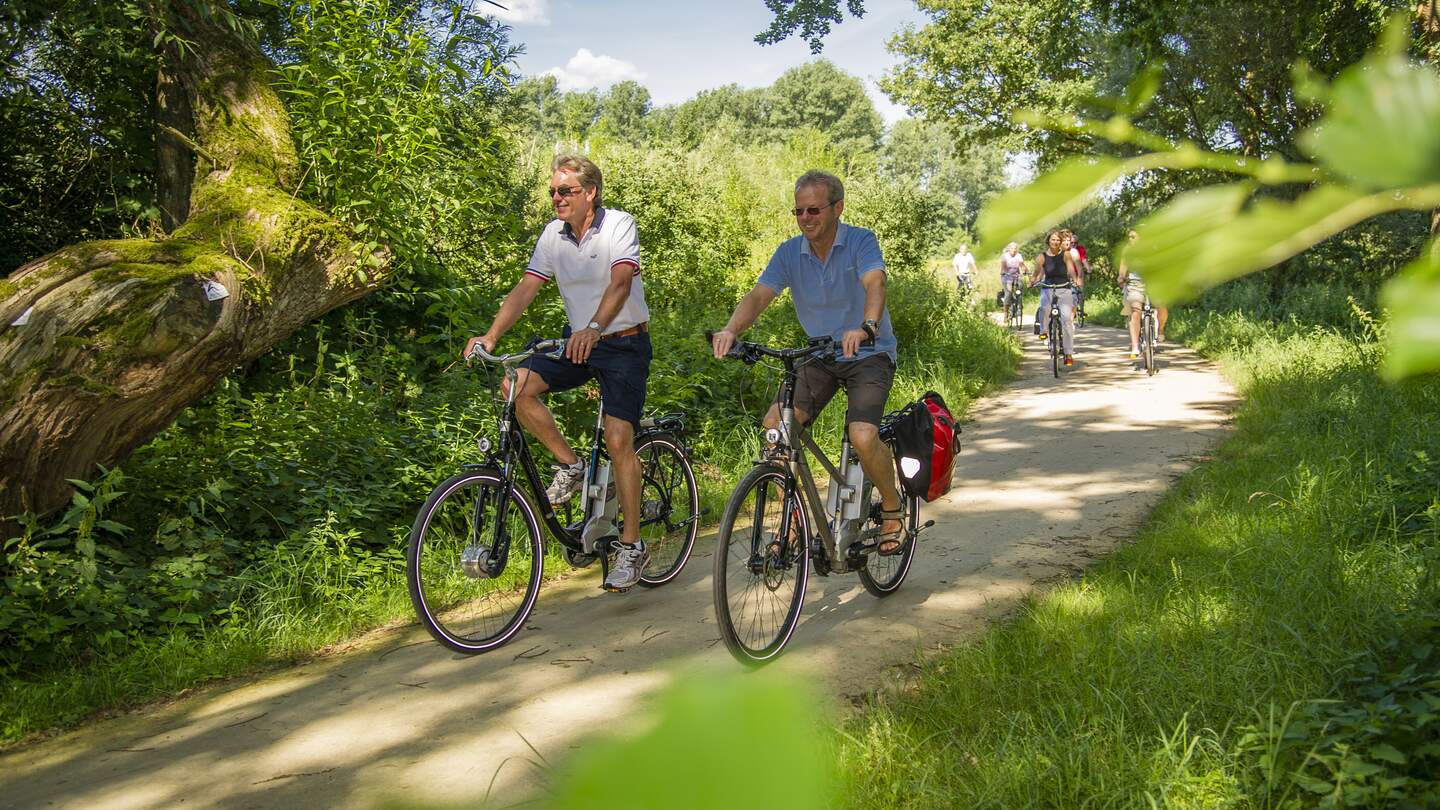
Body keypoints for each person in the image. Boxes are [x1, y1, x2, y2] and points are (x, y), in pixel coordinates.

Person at [464, 154, 653, 592]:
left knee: (618, 439)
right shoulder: (553, 235)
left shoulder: (619, 224)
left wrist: (594, 327)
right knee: (516, 385)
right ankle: (572, 467)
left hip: (623, 342)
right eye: (552, 191)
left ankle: (631, 544)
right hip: (578, 342)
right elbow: (527, 287)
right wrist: (490, 336)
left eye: (565, 191)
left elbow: (621, 281)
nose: (556, 198)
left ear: (590, 193)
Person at [711, 170, 908, 554]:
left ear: (838, 208)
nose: (806, 219)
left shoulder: (860, 241)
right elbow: (759, 295)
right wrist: (731, 329)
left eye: (814, 210)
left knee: (863, 436)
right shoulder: (789, 252)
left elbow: (875, 283)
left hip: (869, 352)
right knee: (776, 427)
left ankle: (891, 507)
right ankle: (795, 522)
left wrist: (866, 327)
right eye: (799, 211)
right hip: (820, 355)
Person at [1030, 228, 1079, 366]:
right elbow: (1036, 272)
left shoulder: (1066, 255)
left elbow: (1070, 269)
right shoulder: (1042, 257)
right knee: (1044, 308)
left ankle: (1068, 353)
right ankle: (1044, 330)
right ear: (1048, 241)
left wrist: (1075, 280)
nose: (1056, 242)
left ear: (1060, 242)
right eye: (1053, 239)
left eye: (1058, 240)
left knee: (1067, 321)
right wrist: (1031, 282)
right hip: (1048, 287)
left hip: (1064, 288)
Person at [999, 242, 1025, 312]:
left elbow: (1022, 265)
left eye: (1015, 248)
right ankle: (1006, 313)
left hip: (1016, 276)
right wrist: (1004, 272)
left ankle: (1019, 304)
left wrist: (1026, 271)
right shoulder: (1005, 256)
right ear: (1009, 249)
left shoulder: (1019, 255)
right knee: (1008, 293)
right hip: (1006, 276)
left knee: (1021, 285)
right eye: (1012, 248)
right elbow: (1003, 266)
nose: (1013, 250)